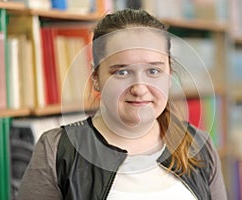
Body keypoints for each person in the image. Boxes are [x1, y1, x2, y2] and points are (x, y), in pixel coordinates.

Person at [17, 9, 227, 200]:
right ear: (96, 78)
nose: (139, 88)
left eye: (153, 71)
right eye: (122, 72)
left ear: (169, 75)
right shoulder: (57, 150)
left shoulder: (199, 146)